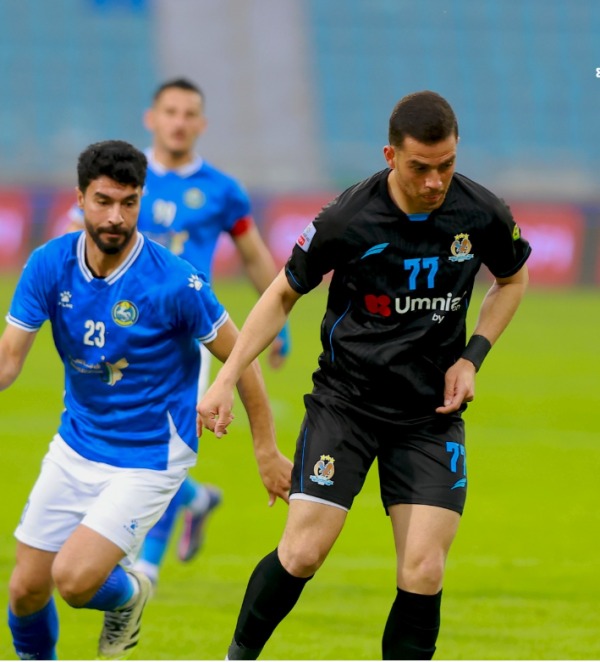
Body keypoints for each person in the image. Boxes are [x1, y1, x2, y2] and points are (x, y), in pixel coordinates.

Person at [198, 91, 532, 660]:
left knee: (424, 568)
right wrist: (227, 376)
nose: (435, 181)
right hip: (346, 404)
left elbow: (513, 280)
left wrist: (471, 357)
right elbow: (281, 295)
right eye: (420, 167)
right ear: (390, 155)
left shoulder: (482, 213)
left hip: (429, 414)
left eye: (447, 165)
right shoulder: (348, 219)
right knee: (303, 553)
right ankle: (238, 655)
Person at [1, 140, 291, 660]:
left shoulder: (174, 281)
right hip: (76, 444)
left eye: (128, 202)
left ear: (141, 200)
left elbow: (241, 356)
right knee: (25, 590)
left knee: (73, 580)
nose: (116, 216)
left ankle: (130, 594)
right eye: (103, 201)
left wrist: (266, 451)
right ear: (80, 199)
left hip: (150, 455)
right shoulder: (48, 265)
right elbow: (7, 361)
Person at [64, 77, 291, 586]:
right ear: (152, 118)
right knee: (116, 441)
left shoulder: (222, 190)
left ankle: (146, 566)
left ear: (202, 124)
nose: (179, 122)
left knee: (165, 445)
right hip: (119, 332)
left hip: (189, 335)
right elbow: (75, 238)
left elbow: (254, 255)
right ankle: (197, 499)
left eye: (189, 114)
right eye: (170, 112)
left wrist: (279, 322)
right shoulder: (123, 180)